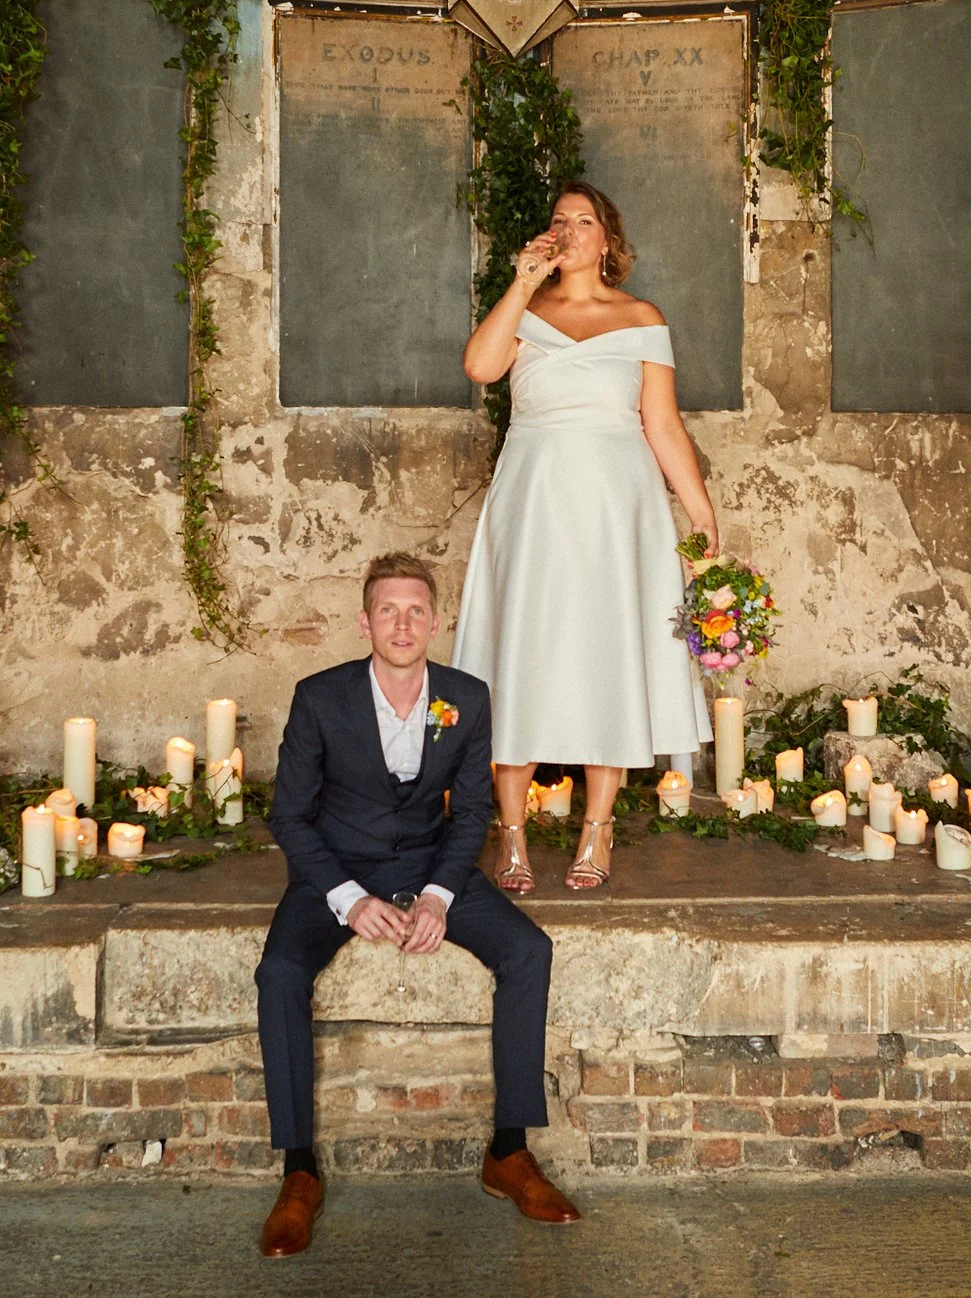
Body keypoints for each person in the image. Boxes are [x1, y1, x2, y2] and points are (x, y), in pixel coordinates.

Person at [254, 552, 579, 1259]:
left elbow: (469, 817)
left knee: (530, 951)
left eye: (416, 611)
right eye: (388, 610)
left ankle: (509, 1151)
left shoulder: (466, 696)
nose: (402, 623)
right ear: (365, 620)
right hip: (334, 872)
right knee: (279, 971)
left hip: (432, 867)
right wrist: (346, 899)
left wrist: (437, 895)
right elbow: (288, 816)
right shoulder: (320, 697)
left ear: (435, 620)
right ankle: (298, 1171)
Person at [455, 182, 717, 892]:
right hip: (534, 498)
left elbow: (661, 424)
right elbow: (481, 367)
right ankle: (510, 836)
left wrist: (700, 510)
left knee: (610, 652)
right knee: (523, 652)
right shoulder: (526, 311)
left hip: (616, 504)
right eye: (558, 221)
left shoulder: (641, 318)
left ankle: (597, 830)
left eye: (584, 221)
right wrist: (520, 283)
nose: (569, 230)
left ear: (608, 240)